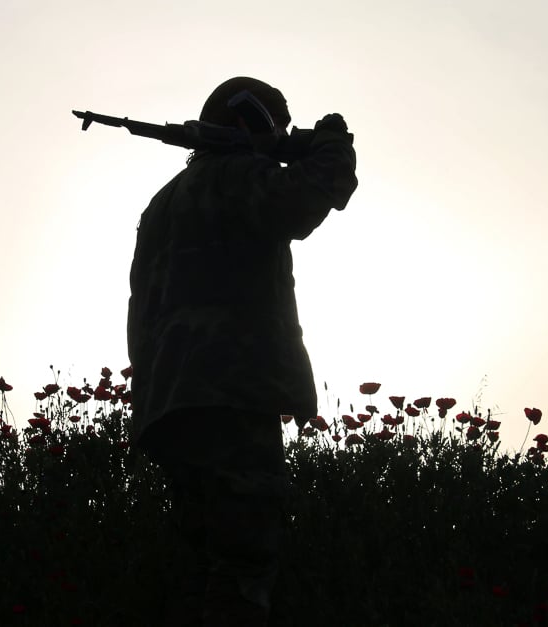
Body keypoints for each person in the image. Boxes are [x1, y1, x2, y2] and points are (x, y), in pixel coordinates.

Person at [126, 76, 357, 627]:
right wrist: (330, 141)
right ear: (247, 122)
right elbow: (310, 197)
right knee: (244, 563)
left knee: (199, 564)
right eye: (275, 123)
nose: (281, 135)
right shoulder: (236, 177)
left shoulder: (162, 205)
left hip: (171, 407)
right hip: (231, 395)